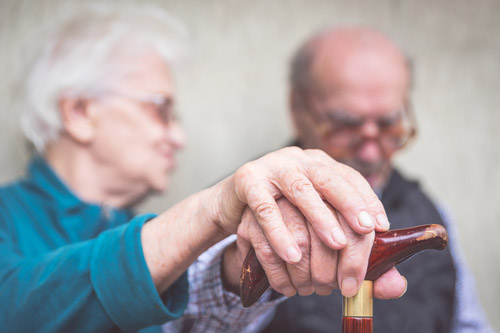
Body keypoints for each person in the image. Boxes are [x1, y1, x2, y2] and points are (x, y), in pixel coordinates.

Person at [0, 6, 407, 332]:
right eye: (161, 111)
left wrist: (254, 259)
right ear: (79, 112)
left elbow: (193, 319)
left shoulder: (142, 230)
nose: (179, 137)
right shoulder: (8, 217)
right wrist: (209, 209)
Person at [262, 26, 494, 332]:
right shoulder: (249, 214)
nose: (371, 154)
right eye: (346, 124)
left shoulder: (432, 213)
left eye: (388, 124)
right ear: (297, 108)